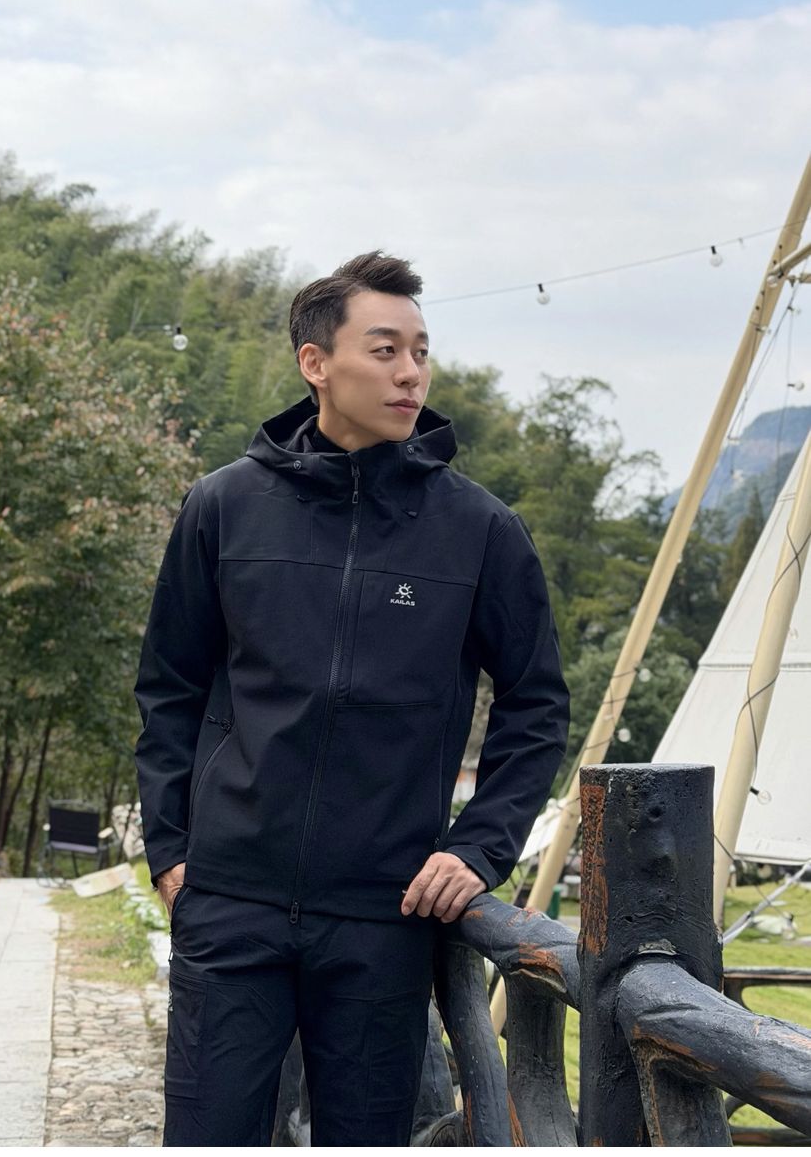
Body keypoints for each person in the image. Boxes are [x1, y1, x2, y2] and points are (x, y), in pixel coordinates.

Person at [133, 250, 569, 1146]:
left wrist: (481, 845)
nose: (411, 373)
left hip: (385, 914)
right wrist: (171, 849)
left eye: (421, 352)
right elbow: (170, 686)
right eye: (385, 350)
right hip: (232, 903)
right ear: (316, 362)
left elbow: (535, 704)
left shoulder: (480, 530)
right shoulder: (223, 507)